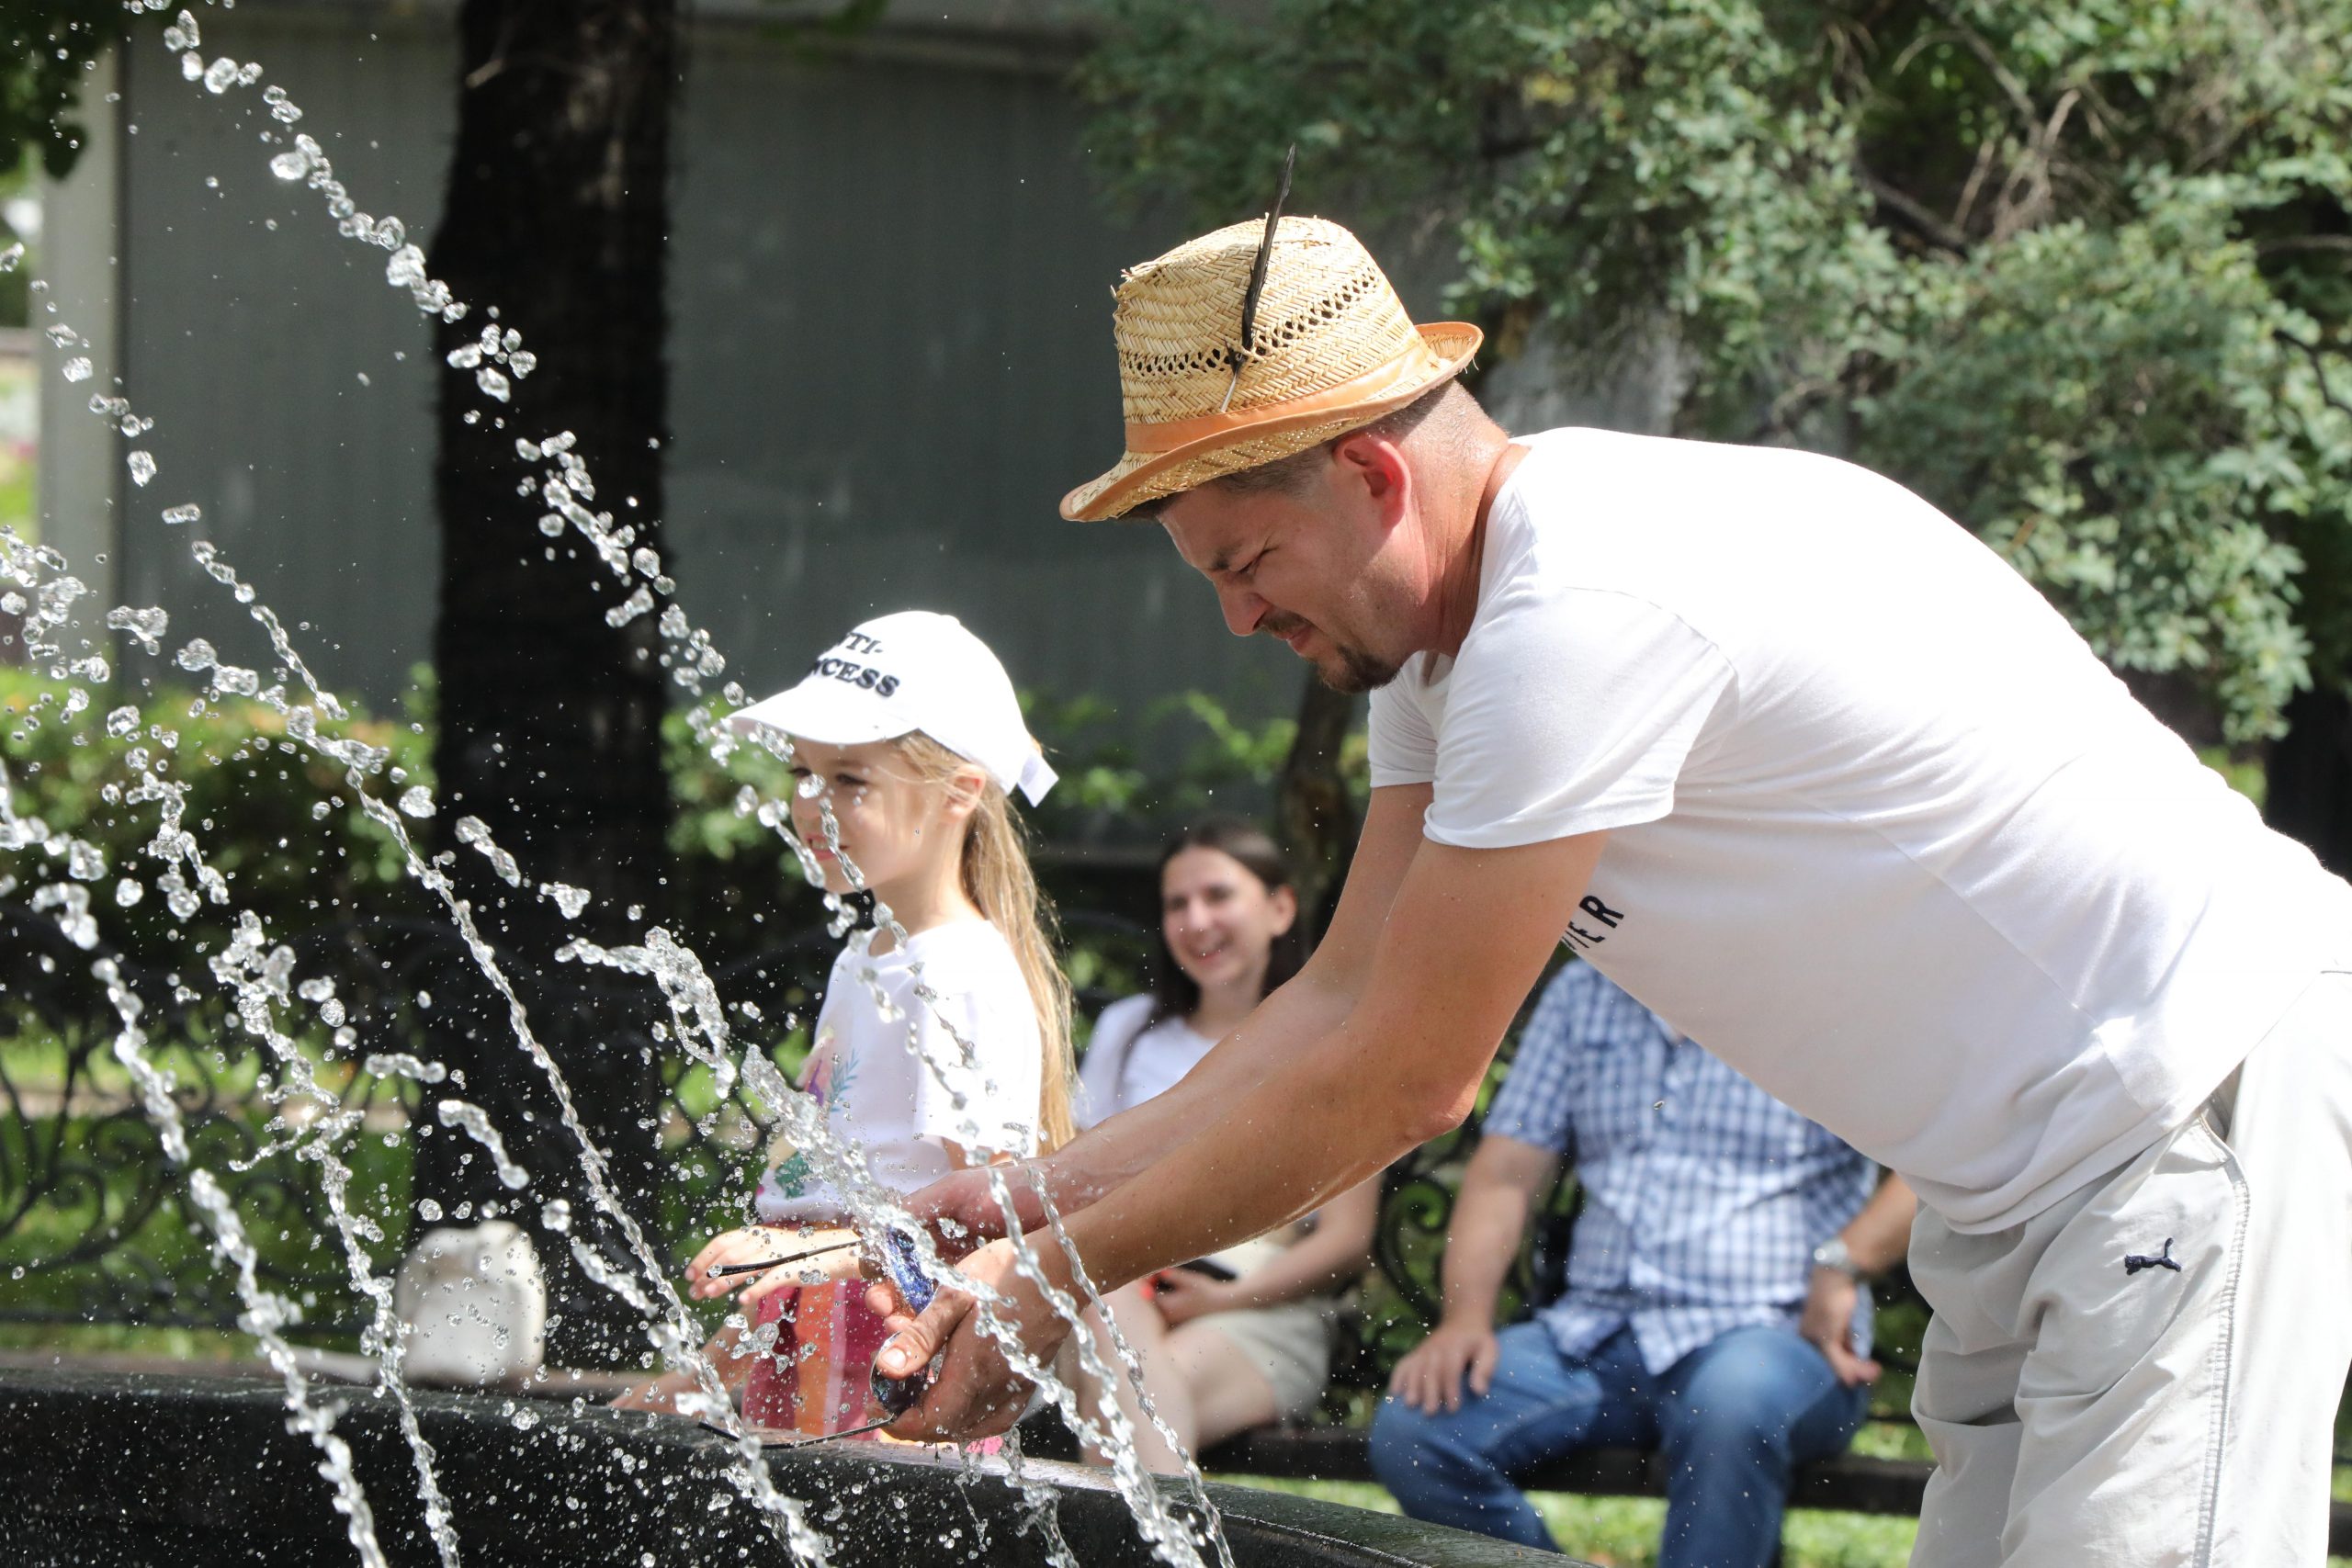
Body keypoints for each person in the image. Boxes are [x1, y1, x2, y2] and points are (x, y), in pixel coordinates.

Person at [874, 216, 2352, 1567]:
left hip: (2185, 1096)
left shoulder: (1575, 607)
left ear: (1374, 475)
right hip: (2020, 1178)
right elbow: (1334, 998)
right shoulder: (1447, 655)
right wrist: (1027, 1193)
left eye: (1248, 559)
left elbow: (1403, 1077)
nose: (1238, 612)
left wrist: (1052, 1276)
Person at [614, 609, 1073, 1440]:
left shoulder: (962, 975)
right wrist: (706, 1373)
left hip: (890, 1351)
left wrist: (813, 1260)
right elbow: (812, 1200)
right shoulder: (866, 958)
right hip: (807, 1336)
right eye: (801, 771)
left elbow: (999, 1223)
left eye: (850, 781)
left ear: (959, 793)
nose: (809, 805)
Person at [1370, 961, 1916, 1564]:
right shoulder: (1585, 991)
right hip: (1597, 1336)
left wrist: (1844, 1260)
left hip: (1771, 1337)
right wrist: (1465, 1318)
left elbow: (1933, 1160)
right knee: (1418, 1429)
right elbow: (1505, 1172)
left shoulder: (1822, 996)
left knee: (1731, 1407)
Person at [1061, 818, 1377, 1471]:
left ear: (1280, 906)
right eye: (1177, 903)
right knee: (1113, 1327)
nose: (1196, 920)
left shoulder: (1334, 1045)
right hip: (1118, 1293)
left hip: (1261, 1311)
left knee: (1123, 1400)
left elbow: (1345, 1236)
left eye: (1218, 895)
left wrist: (1223, 1300)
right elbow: (1078, 1186)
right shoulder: (1129, 1032)